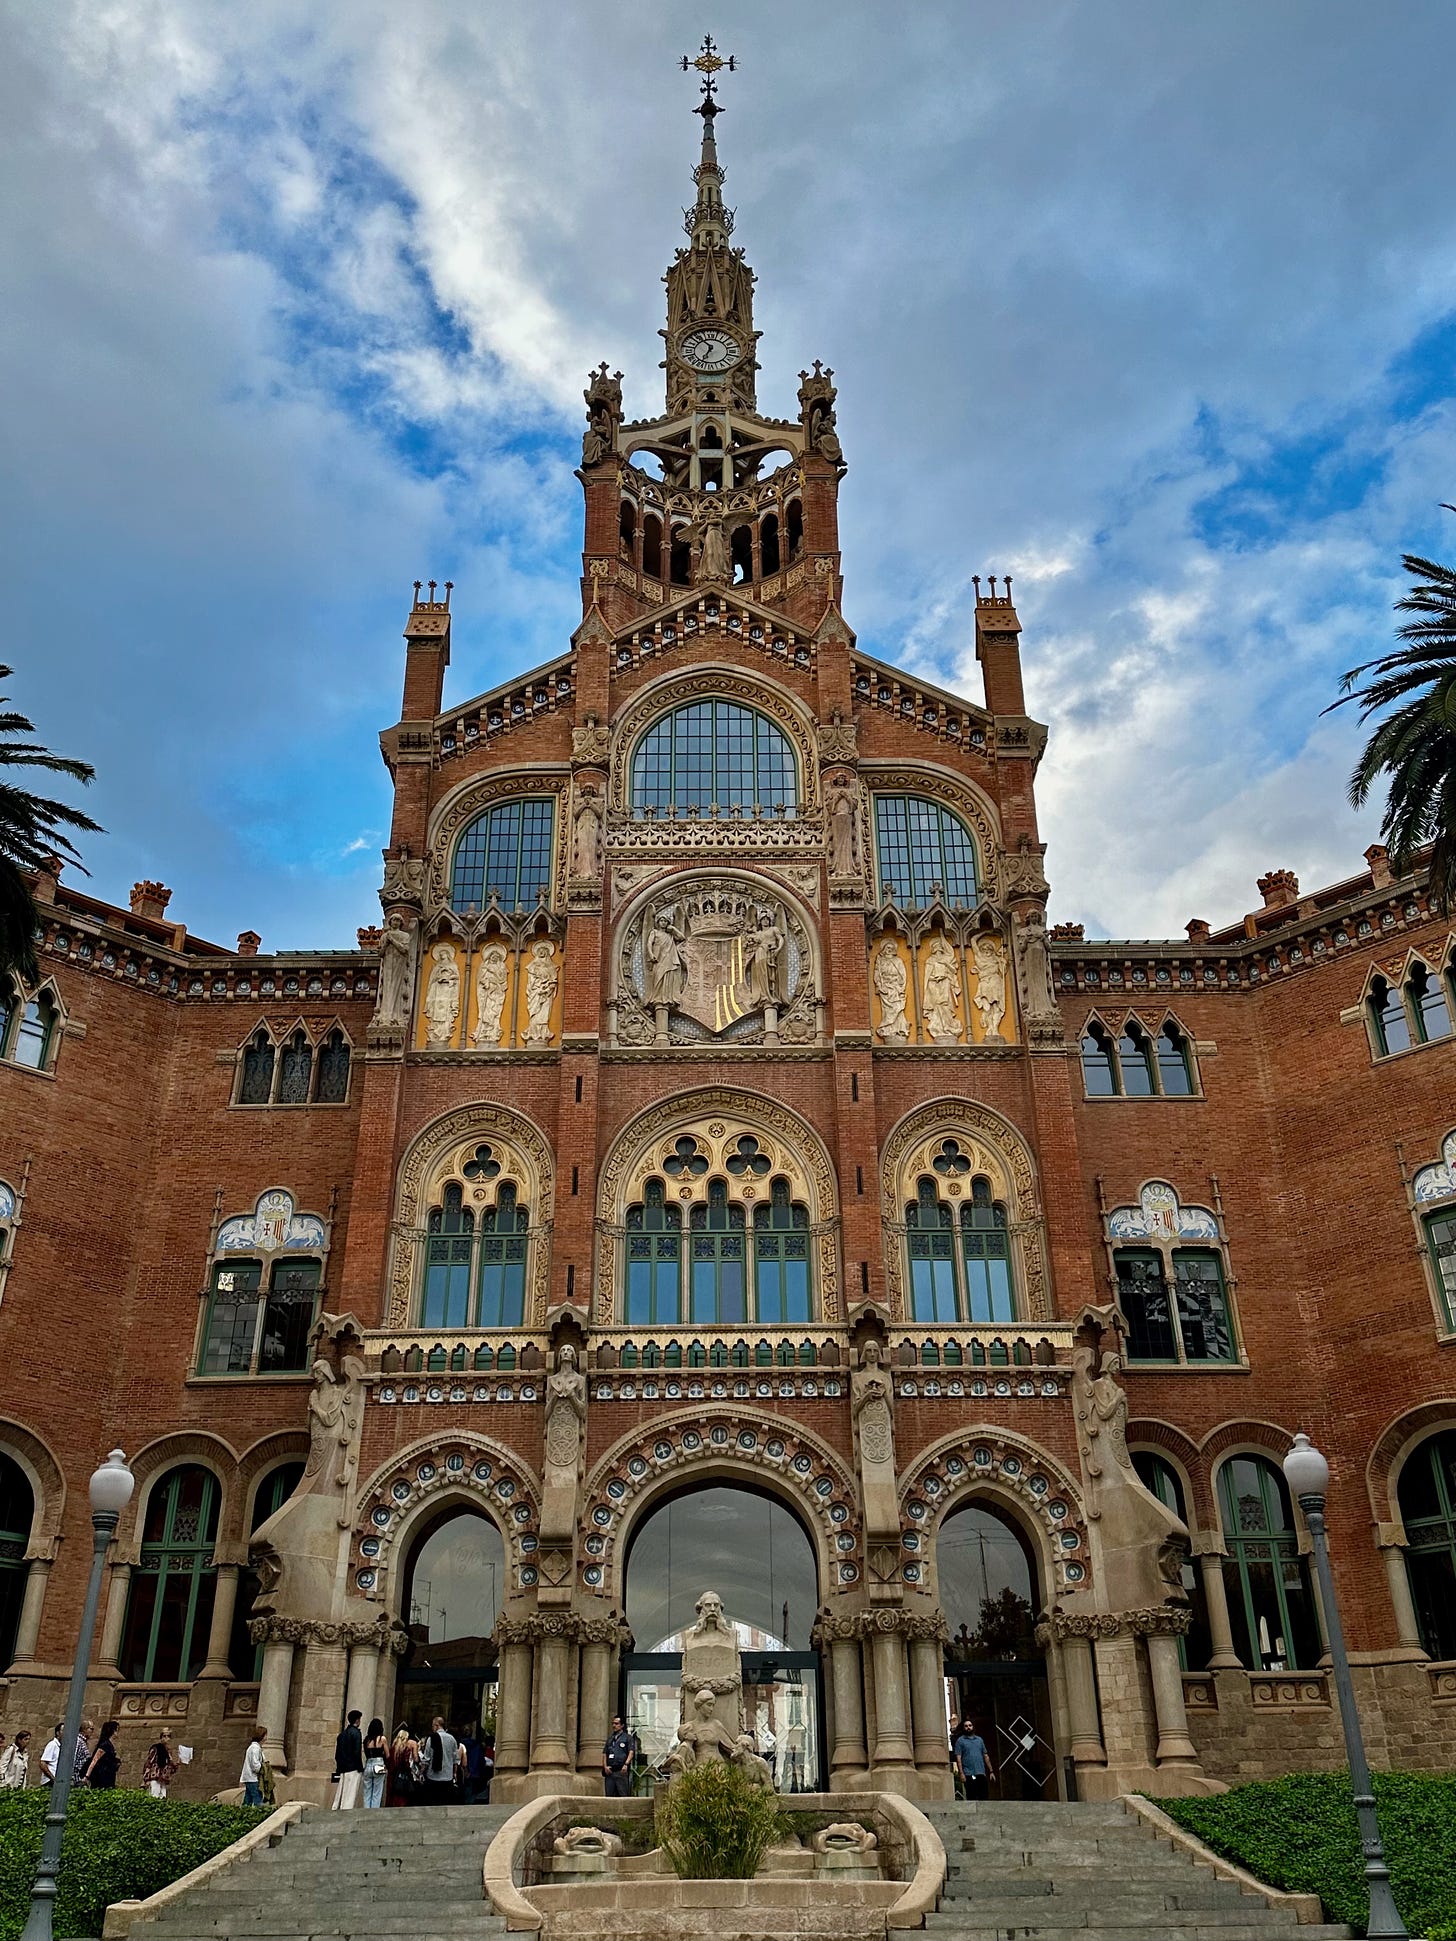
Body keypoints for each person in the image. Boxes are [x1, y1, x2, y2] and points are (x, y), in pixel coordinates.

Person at [953, 1718, 995, 1801]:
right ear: (963, 1728)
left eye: (970, 1725)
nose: (968, 1727)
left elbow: (985, 1756)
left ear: (973, 1727)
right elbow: (958, 1758)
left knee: (984, 1796)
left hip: (981, 1773)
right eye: (966, 1726)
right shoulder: (960, 1741)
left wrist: (991, 1771)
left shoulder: (979, 1740)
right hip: (968, 1774)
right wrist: (961, 1773)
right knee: (972, 1796)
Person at [332, 1708, 364, 1811]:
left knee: (342, 1792)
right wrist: (360, 1767)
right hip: (353, 1767)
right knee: (351, 1793)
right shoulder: (356, 1733)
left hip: (343, 1767)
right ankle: (347, 1810)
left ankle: (339, 1808)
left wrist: (339, 1767)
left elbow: (337, 1754)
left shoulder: (342, 1735)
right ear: (357, 1720)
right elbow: (357, 1752)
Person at [422, 1716, 459, 1805]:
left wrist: (421, 1771)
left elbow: (427, 1758)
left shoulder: (431, 1738)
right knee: (445, 1803)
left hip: (433, 1777)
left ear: (436, 1725)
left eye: (432, 1726)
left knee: (432, 1803)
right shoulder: (452, 1739)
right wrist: (454, 1774)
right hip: (447, 1777)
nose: (432, 1728)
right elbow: (455, 1760)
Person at [602, 1715, 637, 1797]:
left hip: (621, 1770)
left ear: (622, 1725)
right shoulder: (610, 1739)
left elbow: (631, 1752)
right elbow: (604, 1753)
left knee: (623, 1794)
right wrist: (605, 1766)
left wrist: (626, 1764)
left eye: (616, 1723)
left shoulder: (627, 1738)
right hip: (610, 1772)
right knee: (609, 1795)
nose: (614, 1725)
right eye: (613, 1723)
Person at [361, 1717, 389, 1809]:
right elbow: (387, 1754)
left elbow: (365, 1753)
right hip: (379, 1763)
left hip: (368, 1764)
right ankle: (374, 1812)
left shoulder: (366, 1740)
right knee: (377, 1791)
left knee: (367, 1791)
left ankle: (366, 1811)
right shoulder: (382, 1739)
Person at [84, 1719, 120, 1790]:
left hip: (108, 1775)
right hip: (102, 1776)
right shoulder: (105, 1745)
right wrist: (87, 1776)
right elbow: (95, 1760)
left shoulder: (109, 1745)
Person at [142, 1728, 177, 1798]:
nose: (166, 1738)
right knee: (154, 1796)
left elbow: (171, 1768)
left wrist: (176, 1764)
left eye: (168, 1736)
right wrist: (146, 1779)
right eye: (164, 1736)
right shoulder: (156, 1748)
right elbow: (149, 1763)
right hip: (155, 1777)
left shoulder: (168, 1752)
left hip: (163, 1779)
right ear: (161, 1737)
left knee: (163, 1797)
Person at [386, 1724, 416, 1808]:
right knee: (402, 1796)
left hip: (392, 1775)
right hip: (402, 1775)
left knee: (391, 1795)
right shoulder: (405, 1749)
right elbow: (406, 1763)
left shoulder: (392, 1748)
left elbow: (389, 1761)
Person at [240, 1725, 267, 1807]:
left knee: (248, 1799)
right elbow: (255, 1764)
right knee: (257, 1799)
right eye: (265, 1735)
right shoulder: (255, 1748)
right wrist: (262, 1769)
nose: (266, 1738)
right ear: (261, 1736)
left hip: (250, 1778)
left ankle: (243, 1815)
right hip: (253, 1778)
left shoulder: (254, 1747)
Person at [71, 1718, 95, 1786]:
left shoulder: (83, 1742)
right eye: (91, 1729)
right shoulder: (78, 1742)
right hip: (76, 1779)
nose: (92, 1732)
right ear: (84, 1729)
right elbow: (73, 1759)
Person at [39, 1720, 63, 1786]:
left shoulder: (60, 1746)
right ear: (58, 1733)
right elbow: (42, 1763)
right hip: (49, 1781)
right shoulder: (52, 1745)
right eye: (63, 1731)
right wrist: (52, 1778)